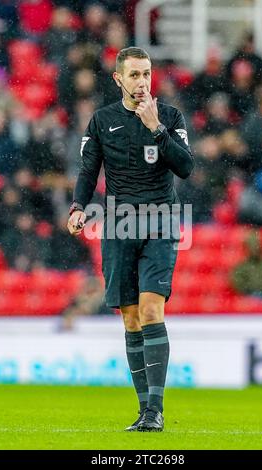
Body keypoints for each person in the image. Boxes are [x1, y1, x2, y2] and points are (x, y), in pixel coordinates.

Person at [67, 47, 194, 432]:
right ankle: (144, 411)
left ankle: (155, 410)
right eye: (135, 75)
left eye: (147, 74)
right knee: (131, 318)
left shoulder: (169, 116)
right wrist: (77, 206)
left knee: (152, 310)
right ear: (118, 79)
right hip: (120, 224)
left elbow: (186, 167)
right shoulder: (102, 120)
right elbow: (89, 170)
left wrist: (157, 128)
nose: (142, 82)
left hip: (160, 221)